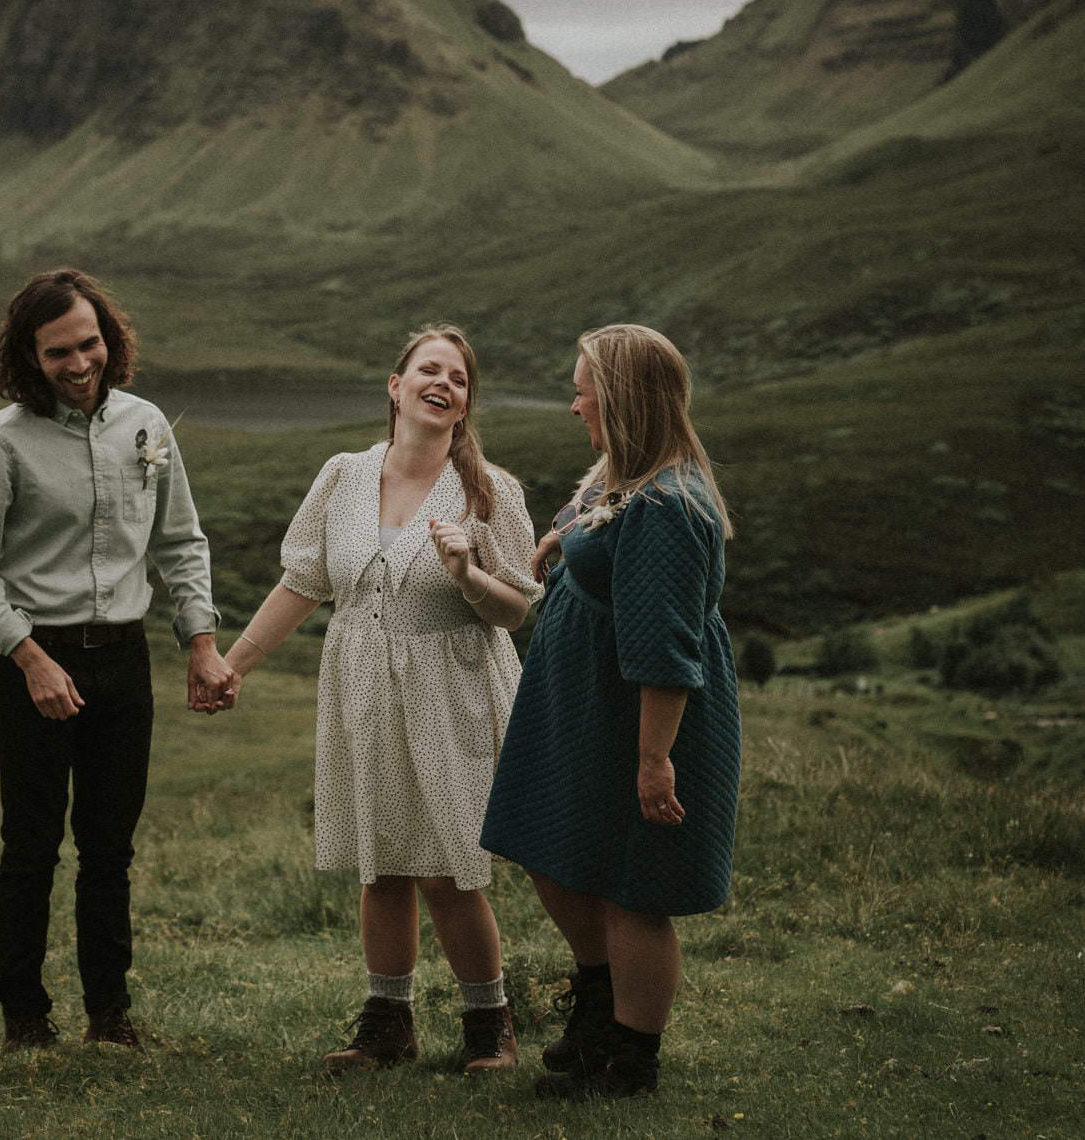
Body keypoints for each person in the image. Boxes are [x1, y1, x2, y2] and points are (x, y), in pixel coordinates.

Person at [222, 324, 542, 1075]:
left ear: (464, 405)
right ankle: (387, 1023)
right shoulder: (342, 475)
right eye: (429, 370)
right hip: (362, 684)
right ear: (394, 386)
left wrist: (467, 574)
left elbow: (516, 609)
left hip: (451, 687)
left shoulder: (491, 491)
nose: (444, 384)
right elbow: (304, 581)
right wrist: (234, 665)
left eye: (458, 379)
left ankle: (489, 1025)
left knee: (445, 866)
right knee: (383, 863)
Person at [0, 268, 235, 1053]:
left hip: (123, 662)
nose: (79, 364)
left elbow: (180, 542)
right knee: (31, 849)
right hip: (33, 662)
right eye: (58, 352)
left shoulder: (146, 425)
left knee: (110, 851)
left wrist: (201, 644)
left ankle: (110, 1014)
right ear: (26, 357)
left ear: (110, 338)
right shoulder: (0, 441)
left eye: (90, 344)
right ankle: (25, 1016)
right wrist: (29, 656)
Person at [479, 323, 740, 1099]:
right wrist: (563, 537)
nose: (572, 403)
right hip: (584, 705)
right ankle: (599, 1002)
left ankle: (630, 1058)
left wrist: (654, 758)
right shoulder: (625, 475)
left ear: (620, 398)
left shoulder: (668, 504)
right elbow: (597, 519)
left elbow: (664, 648)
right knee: (552, 847)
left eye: (583, 386)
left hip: (636, 714)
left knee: (634, 884)